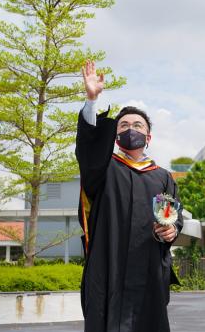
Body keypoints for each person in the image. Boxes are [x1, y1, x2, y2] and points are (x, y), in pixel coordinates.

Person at [76, 60, 182, 332]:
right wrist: (91, 101)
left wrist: (171, 231)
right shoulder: (103, 168)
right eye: (122, 126)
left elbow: (170, 216)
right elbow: (89, 147)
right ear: (114, 136)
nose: (130, 129)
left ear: (148, 137)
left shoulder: (162, 177)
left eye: (137, 125)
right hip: (109, 265)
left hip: (149, 268)